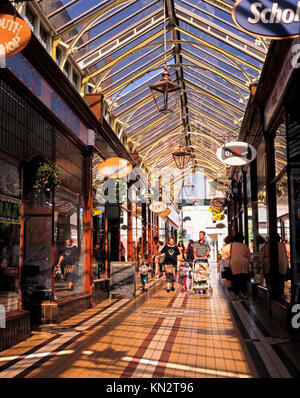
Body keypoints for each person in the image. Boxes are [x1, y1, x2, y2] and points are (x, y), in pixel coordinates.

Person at [221, 232, 253, 300]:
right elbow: (249, 257)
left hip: (234, 263)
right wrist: (252, 264)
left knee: (235, 279)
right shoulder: (244, 246)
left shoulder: (231, 245)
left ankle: (236, 295)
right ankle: (243, 293)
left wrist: (228, 257)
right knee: (243, 279)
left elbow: (224, 254)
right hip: (244, 263)